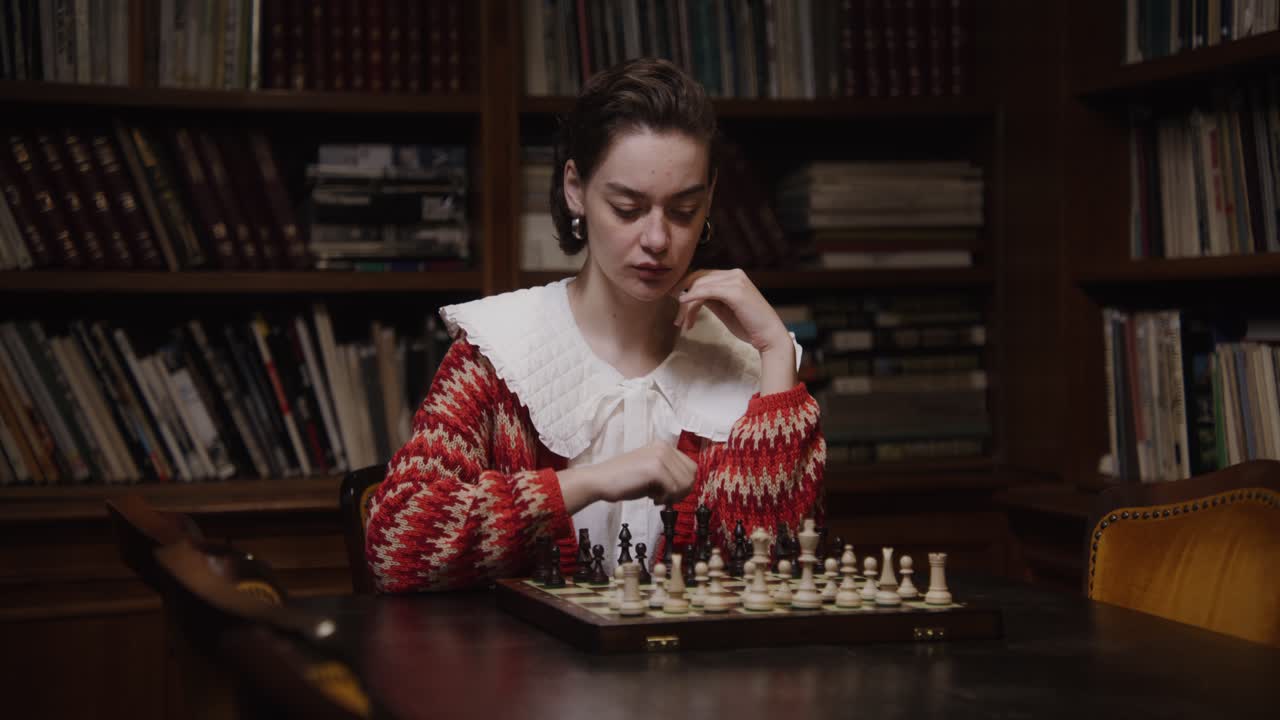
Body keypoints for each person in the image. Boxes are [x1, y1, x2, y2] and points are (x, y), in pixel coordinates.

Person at [365, 58, 825, 592]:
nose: (657, 239)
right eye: (628, 207)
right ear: (576, 189)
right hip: (526, 673)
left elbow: (774, 575)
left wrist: (772, 352)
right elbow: (396, 544)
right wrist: (584, 483)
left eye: (683, 210)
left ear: (710, 201)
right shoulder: (499, 354)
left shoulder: (752, 368)